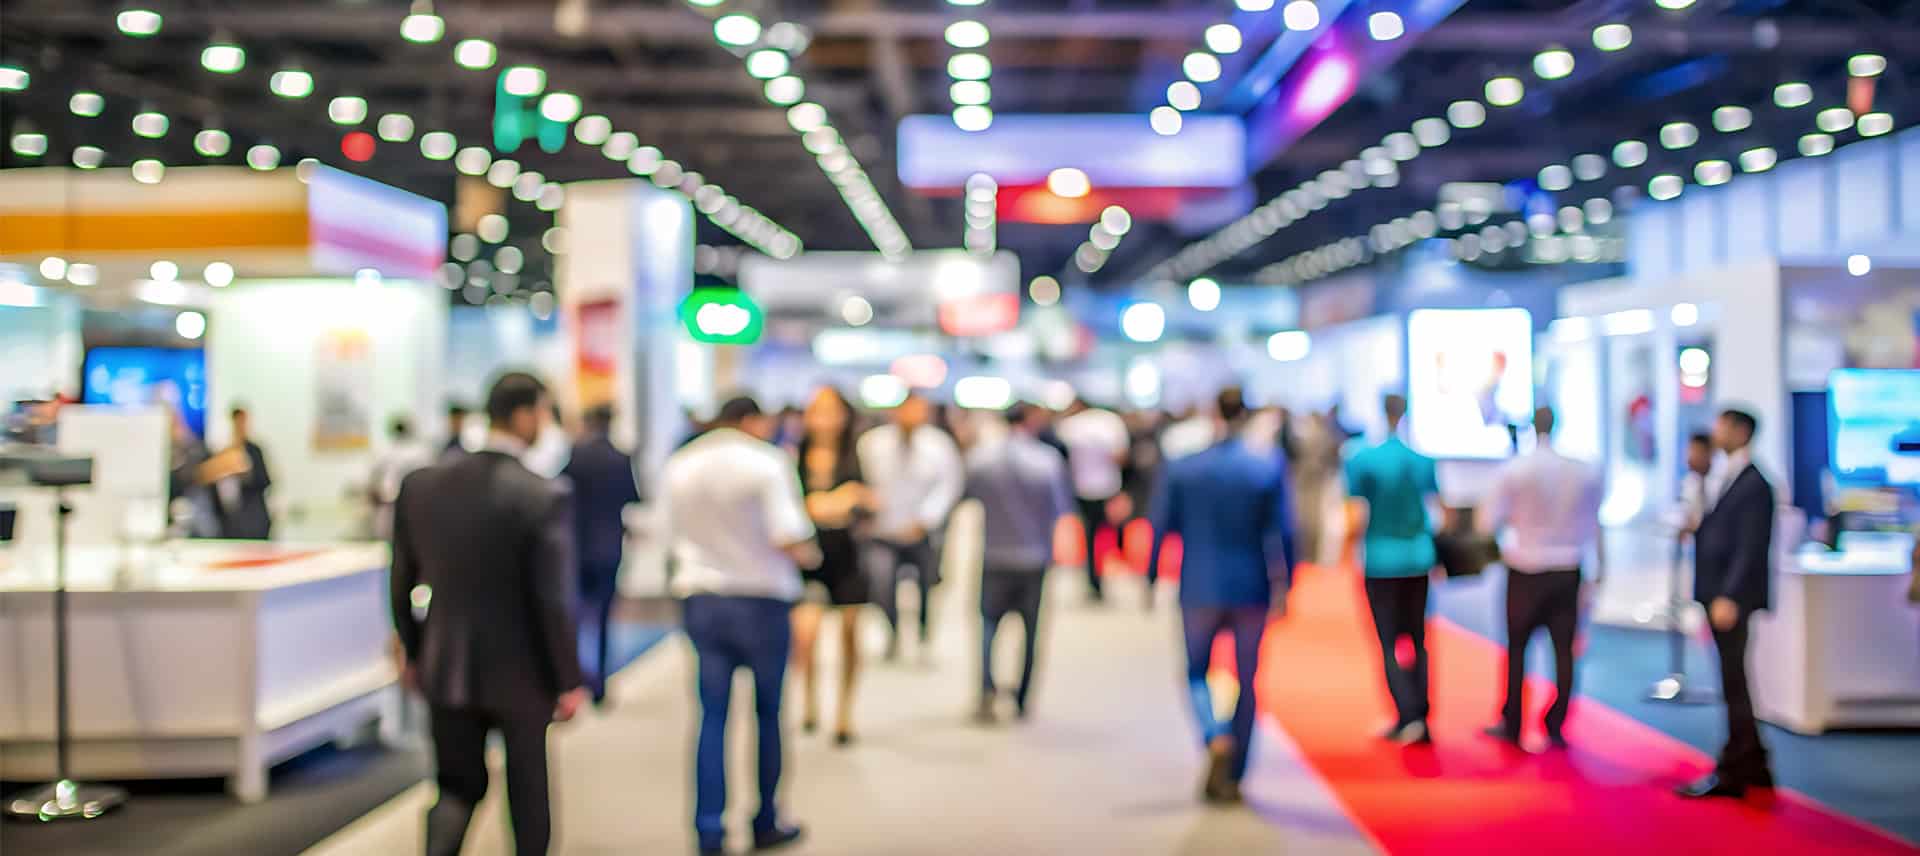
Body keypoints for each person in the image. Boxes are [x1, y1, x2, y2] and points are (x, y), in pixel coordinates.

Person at [389, 372, 588, 856]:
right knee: (527, 791)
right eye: (542, 412)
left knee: (455, 787)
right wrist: (568, 677)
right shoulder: (542, 494)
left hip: (445, 662)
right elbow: (552, 599)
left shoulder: (421, 486)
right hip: (523, 670)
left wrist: (415, 655)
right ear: (524, 415)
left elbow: (400, 584)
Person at [665, 395, 816, 854]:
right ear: (751, 420)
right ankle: (765, 818)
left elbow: (670, 533)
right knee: (767, 714)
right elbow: (788, 535)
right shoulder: (766, 463)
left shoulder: (682, 464)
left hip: (703, 599)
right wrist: (813, 557)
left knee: (712, 716)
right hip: (761, 601)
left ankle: (708, 828)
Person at [1147, 388, 1295, 803]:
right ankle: (1236, 771)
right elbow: (1285, 532)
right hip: (1252, 586)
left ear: (1213, 414)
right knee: (1247, 679)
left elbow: (1160, 526)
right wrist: (1288, 583)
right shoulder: (1265, 466)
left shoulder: (1184, 468)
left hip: (1198, 585)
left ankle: (1214, 735)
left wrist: (1150, 576)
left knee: (1196, 671)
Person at [1476, 406, 1606, 749]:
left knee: (1518, 647)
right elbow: (1595, 521)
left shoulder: (1516, 470)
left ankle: (1513, 720)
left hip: (1526, 566)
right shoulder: (1583, 471)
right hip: (1567, 567)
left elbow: (1487, 522)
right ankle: (1556, 723)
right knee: (1564, 649)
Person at [1678, 409, 1776, 799]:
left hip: (1729, 596)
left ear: (1741, 431)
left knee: (1734, 681)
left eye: (1722, 425)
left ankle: (1735, 768)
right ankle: (1754, 762)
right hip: (1717, 591)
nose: (1716, 432)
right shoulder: (1725, 474)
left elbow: (1750, 548)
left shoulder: (1754, 483)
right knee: (1732, 679)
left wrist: (1730, 595)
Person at [965, 403, 1075, 724]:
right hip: (1033, 557)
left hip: (994, 554)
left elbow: (967, 495)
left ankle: (986, 689)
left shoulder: (982, 459)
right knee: (1031, 631)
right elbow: (1060, 509)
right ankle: (1023, 697)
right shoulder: (1046, 461)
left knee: (988, 626)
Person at [1344, 393, 1441, 746]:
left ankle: (1407, 713)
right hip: (1418, 557)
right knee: (1417, 638)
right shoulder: (1421, 460)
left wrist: (1343, 551)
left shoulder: (1363, 459)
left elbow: (1355, 512)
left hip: (1382, 560)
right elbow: (1437, 508)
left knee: (1387, 641)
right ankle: (1420, 713)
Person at [791, 387, 872, 745]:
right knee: (806, 635)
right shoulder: (793, 456)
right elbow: (795, 508)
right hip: (808, 554)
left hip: (848, 554)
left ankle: (844, 712)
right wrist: (834, 502)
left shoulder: (860, 456)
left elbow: (872, 500)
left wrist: (844, 502)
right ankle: (808, 701)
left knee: (850, 633)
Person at [856, 391, 964, 659]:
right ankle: (891, 633)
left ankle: (923, 634)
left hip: (921, 531)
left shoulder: (938, 445)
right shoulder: (872, 444)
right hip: (883, 530)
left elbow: (948, 486)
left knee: (926, 585)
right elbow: (861, 482)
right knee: (883, 584)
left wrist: (925, 519)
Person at [560, 405, 642, 706]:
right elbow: (633, 496)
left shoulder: (577, 454)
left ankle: (577, 677)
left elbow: (560, 490)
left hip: (579, 546)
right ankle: (601, 684)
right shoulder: (620, 458)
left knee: (577, 615)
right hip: (609, 546)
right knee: (606, 616)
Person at [1056, 397, 1131, 603]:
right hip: (1108, 486)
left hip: (1083, 488)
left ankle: (1095, 579)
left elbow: (1062, 460)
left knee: (1090, 536)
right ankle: (1107, 572)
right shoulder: (1110, 422)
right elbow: (1122, 456)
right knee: (1111, 532)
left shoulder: (1070, 426)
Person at [369, 416, 435, 541]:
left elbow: (373, 480)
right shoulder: (422, 451)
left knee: (389, 542)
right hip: (408, 505)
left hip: (391, 504)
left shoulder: (383, 451)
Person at [213, 406, 274, 540]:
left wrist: (245, 474)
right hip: (230, 521)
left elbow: (266, 481)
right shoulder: (223, 451)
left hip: (254, 518)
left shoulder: (254, 450)